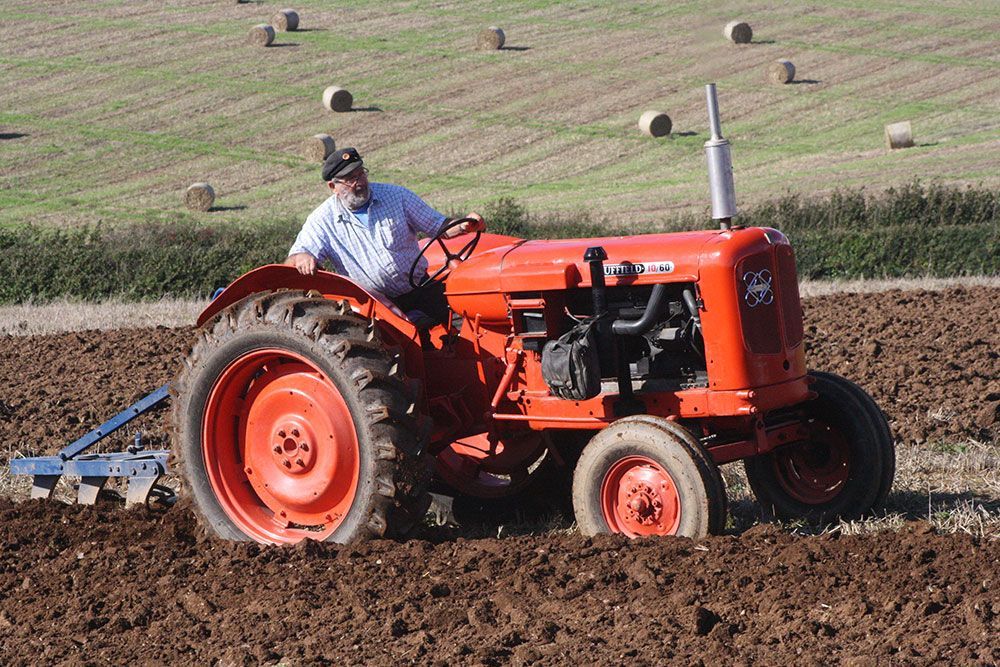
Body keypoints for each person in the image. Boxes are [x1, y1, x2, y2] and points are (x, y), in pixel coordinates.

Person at [285, 148, 485, 327]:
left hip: (421, 286)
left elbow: (437, 225)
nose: (360, 182)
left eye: (361, 173)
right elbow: (297, 256)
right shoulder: (322, 220)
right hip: (376, 305)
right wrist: (302, 257)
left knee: (467, 322)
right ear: (332, 186)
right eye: (350, 179)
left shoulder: (396, 196)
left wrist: (464, 224)